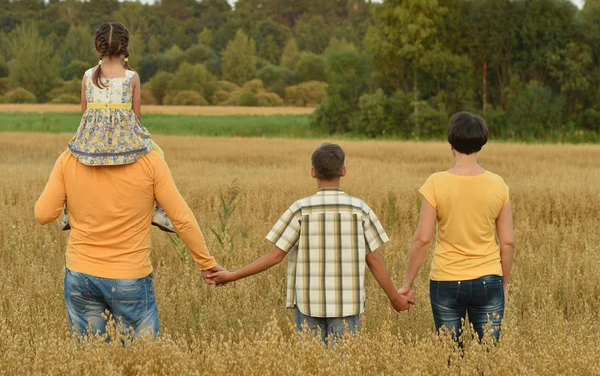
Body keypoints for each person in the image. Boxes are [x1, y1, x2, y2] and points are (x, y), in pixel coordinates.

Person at [207, 143, 414, 343]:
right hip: (347, 306)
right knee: (341, 367)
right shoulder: (360, 210)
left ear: (313, 172)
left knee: (311, 364)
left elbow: (275, 256)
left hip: (308, 305)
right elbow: (374, 260)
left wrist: (232, 275)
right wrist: (395, 298)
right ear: (344, 171)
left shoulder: (300, 209)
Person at [34, 145, 225, 337]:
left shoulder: (69, 158)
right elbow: (182, 219)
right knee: (141, 357)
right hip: (130, 276)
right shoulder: (151, 160)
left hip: (80, 274)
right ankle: (158, 211)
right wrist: (206, 263)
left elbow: (43, 215)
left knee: (91, 359)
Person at [398, 112, 515, 343]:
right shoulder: (498, 184)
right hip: (488, 277)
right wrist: (502, 283)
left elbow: (422, 239)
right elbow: (508, 242)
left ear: (451, 144)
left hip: (446, 279)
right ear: (481, 144)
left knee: (450, 354)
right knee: (488, 355)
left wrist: (407, 285)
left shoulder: (436, 182)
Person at [61, 22, 174, 233]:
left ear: (98, 46)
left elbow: (85, 114)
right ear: (124, 48)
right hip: (126, 141)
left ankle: (68, 210)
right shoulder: (132, 77)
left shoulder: (87, 76)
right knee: (159, 153)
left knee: (67, 161)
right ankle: (159, 211)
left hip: (92, 142)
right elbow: (136, 117)